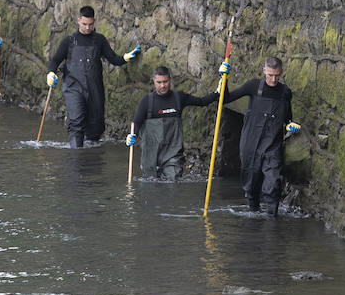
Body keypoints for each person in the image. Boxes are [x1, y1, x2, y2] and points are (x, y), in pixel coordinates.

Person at [47, 6, 140, 148]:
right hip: (73, 87)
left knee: (95, 125)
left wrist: (126, 58)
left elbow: (114, 59)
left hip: (94, 88)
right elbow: (55, 60)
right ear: (79, 21)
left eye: (90, 24)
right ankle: (76, 154)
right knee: (76, 122)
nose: (87, 27)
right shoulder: (69, 41)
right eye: (84, 24)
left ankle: (91, 157)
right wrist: (51, 73)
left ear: (94, 21)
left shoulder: (100, 40)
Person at [222, 56, 301, 216]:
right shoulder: (253, 86)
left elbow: (287, 118)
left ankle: (272, 219)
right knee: (251, 184)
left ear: (281, 73)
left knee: (273, 183)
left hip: (272, 145)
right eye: (270, 75)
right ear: (264, 70)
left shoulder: (285, 92)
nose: (273, 79)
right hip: (250, 144)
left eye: (277, 75)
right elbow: (226, 98)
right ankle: (253, 213)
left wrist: (290, 125)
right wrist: (224, 78)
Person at [125, 65, 217, 181]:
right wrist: (132, 135)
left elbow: (202, 102)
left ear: (170, 80)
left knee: (171, 183)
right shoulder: (146, 102)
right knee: (149, 187)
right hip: (150, 155)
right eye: (159, 82)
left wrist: (218, 91)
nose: (162, 85)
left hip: (173, 154)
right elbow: (136, 123)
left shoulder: (179, 98)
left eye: (165, 81)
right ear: (154, 81)